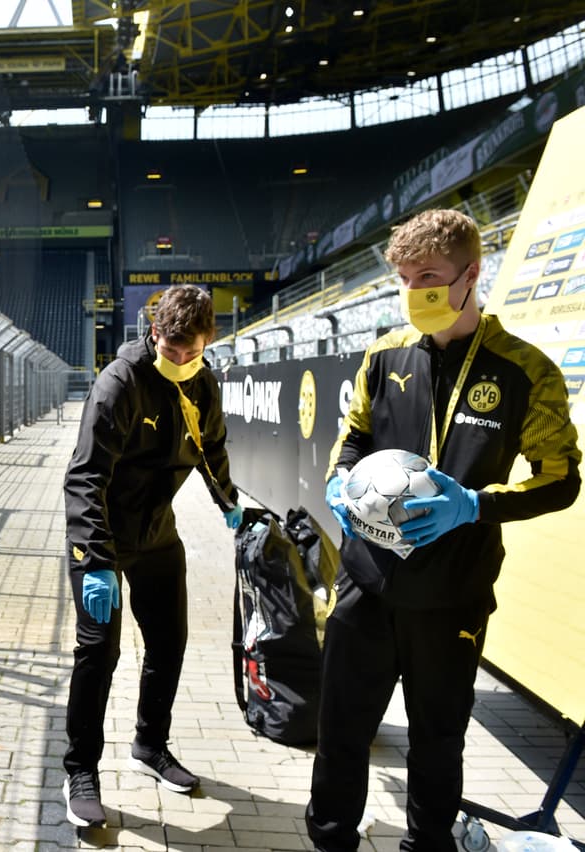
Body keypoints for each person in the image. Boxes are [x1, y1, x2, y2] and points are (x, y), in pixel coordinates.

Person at [307, 208, 581, 852]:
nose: (414, 293)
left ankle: (427, 845)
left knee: (437, 742)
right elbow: (351, 440)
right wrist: (337, 484)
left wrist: (475, 506)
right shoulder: (383, 353)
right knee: (341, 731)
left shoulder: (525, 371)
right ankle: (328, 841)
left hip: (452, 595)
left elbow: (561, 480)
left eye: (428, 276)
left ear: (471, 274)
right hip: (365, 585)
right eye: (404, 279)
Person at [62, 284, 243, 827]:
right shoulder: (120, 383)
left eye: (195, 353)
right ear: (155, 333)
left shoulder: (203, 384)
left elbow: (211, 448)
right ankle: (80, 771)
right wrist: (95, 560)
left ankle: (150, 745)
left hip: (158, 534)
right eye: (173, 351)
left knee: (170, 641)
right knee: (99, 652)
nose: (183, 362)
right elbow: (84, 476)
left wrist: (230, 504)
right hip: (103, 539)